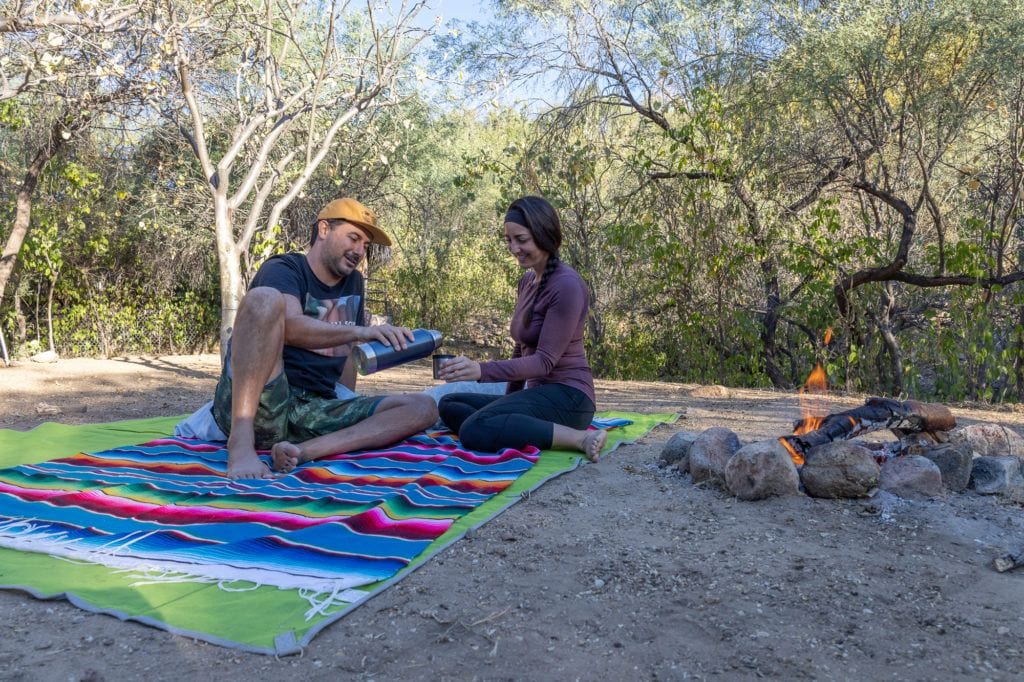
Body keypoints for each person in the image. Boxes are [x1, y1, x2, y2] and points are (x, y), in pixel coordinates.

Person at [213, 197, 438, 479]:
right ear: (323, 230)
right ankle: (241, 443)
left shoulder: (354, 282)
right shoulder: (284, 268)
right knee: (263, 298)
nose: (359, 251)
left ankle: (302, 451)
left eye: (365, 245)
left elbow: (345, 354)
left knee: (423, 407)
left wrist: (349, 400)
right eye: (353, 238)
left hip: (314, 409)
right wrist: (361, 330)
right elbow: (292, 327)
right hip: (266, 400)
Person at [436, 196, 606, 460]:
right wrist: (508, 400)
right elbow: (520, 348)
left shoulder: (567, 285)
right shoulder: (527, 281)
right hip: (538, 394)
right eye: (509, 240)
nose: (514, 248)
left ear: (544, 235)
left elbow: (544, 362)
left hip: (569, 399)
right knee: (449, 404)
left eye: (522, 240)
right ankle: (511, 426)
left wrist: (481, 370)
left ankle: (580, 438)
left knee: (473, 429)